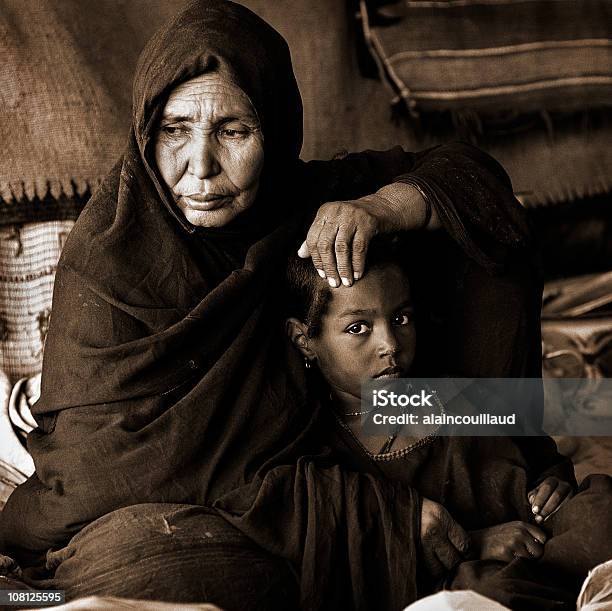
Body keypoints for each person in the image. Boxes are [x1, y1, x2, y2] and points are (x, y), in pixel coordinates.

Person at [0, 1, 580, 609]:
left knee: (473, 239)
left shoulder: (294, 201)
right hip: (178, 514)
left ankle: (510, 461)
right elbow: (106, 472)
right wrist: (376, 518)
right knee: (163, 568)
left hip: (324, 468)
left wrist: (379, 209)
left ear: (274, 130)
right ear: (147, 131)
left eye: (233, 131)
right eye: (175, 129)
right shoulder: (110, 258)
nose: (200, 167)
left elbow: (478, 189)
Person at [285, 237, 612, 609]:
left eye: (400, 319)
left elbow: (541, 460)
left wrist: (553, 487)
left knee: (599, 510)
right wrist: (476, 542)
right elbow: (361, 561)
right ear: (304, 339)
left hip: (547, 551)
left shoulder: (455, 394)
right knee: (479, 593)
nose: (390, 343)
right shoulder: (322, 450)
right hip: (464, 581)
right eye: (358, 328)